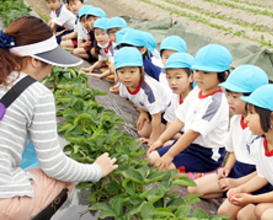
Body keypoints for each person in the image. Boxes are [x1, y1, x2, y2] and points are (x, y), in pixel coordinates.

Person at [0, 16, 118, 219]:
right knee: (63, 177)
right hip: (4, 203)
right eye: (49, 63)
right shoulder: (38, 94)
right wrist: (97, 170)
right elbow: (54, 166)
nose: (51, 70)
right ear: (34, 60)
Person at [218, 84, 273, 220]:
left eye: (252, 113)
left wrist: (251, 198)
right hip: (272, 191)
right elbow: (263, 175)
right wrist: (241, 189)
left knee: (261, 212)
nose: (246, 118)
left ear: (272, 118)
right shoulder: (258, 142)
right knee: (227, 211)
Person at [147, 44, 231, 174]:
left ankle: (201, 175)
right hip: (188, 144)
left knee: (163, 169)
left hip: (206, 154)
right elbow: (179, 120)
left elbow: (193, 133)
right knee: (151, 158)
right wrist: (160, 140)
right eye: (197, 71)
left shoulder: (216, 102)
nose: (199, 76)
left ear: (223, 75)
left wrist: (170, 154)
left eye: (206, 73)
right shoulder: (197, 91)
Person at [187, 65, 269, 196]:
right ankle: (228, 191)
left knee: (229, 206)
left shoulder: (260, 131)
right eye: (228, 95)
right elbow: (234, 151)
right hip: (237, 170)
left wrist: (237, 183)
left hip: (253, 178)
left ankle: (232, 194)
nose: (229, 101)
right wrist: (226, 168)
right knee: (193, 190)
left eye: (235, 97)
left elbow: (265, 171)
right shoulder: (236, 120)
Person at [114, 47, 170, 145]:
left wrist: (153, 140)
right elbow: (131, 98)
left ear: (141, 70)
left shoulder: (148, 90)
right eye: (122, 72)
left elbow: (156, 116)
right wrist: (142, 112)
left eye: (132, 71)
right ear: (116, 72)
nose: (127, 76)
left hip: (167, 112)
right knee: (142, 133)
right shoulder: (122, 85)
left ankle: (175, 134)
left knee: (157, 136)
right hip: (152, 110)